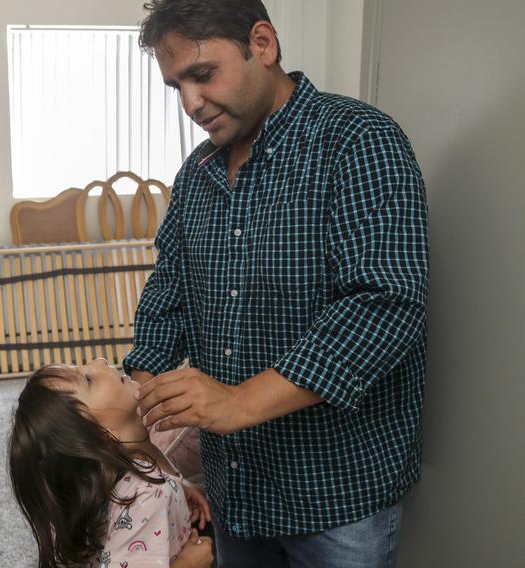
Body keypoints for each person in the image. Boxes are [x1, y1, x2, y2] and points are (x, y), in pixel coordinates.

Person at [124, 1, 429, 567]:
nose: (190, 103)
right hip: (236, 488)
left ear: (262, 44)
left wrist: (239, 401)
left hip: (338, 493)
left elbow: (383, 307)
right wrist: (138, 402)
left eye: (203, 74)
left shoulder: (359, 142)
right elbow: (168, 294)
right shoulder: (197, 173)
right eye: (176, 87)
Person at [8, 359, 215, 568]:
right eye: (88, 379)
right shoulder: (147, 494)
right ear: (99, 433)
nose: (100, 361)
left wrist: (178, 487)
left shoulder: (108, 480)